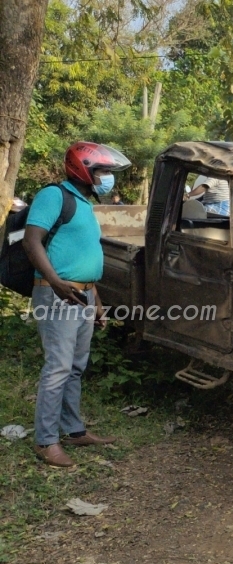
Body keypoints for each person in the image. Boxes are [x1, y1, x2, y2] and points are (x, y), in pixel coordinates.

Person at [23, 142, 132, 467]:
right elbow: (32, 240)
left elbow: (84, 257)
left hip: (83, 295)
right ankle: (45, 441)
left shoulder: (84, 203)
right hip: (56, 294)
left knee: (74, 367)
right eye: (103, 171)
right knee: (57, 367)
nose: (107, 178)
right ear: (82, 169)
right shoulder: (54, 196)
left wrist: (96, 302)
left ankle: (73, 431)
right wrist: (55, 282)